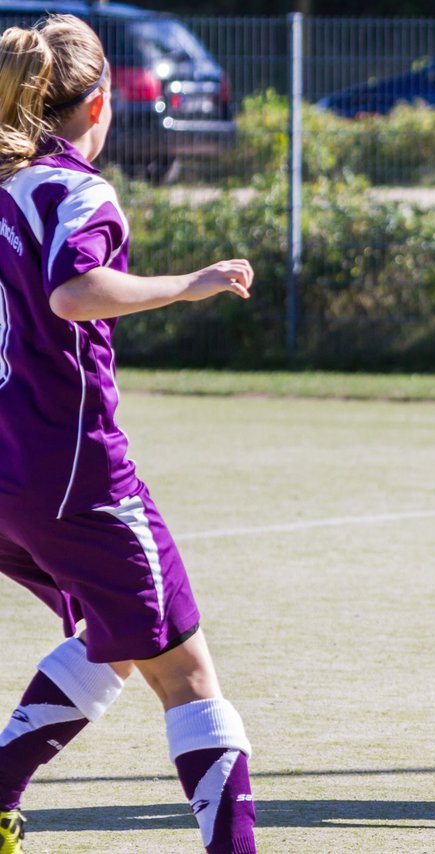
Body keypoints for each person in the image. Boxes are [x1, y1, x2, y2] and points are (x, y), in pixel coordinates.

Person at [0, 16, 258, 854]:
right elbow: (75, 294)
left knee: (111, 637)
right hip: (73, 475)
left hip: (6, 473)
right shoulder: (77, 190)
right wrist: (191, 283)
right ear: (100, 105)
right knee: (187, 676)